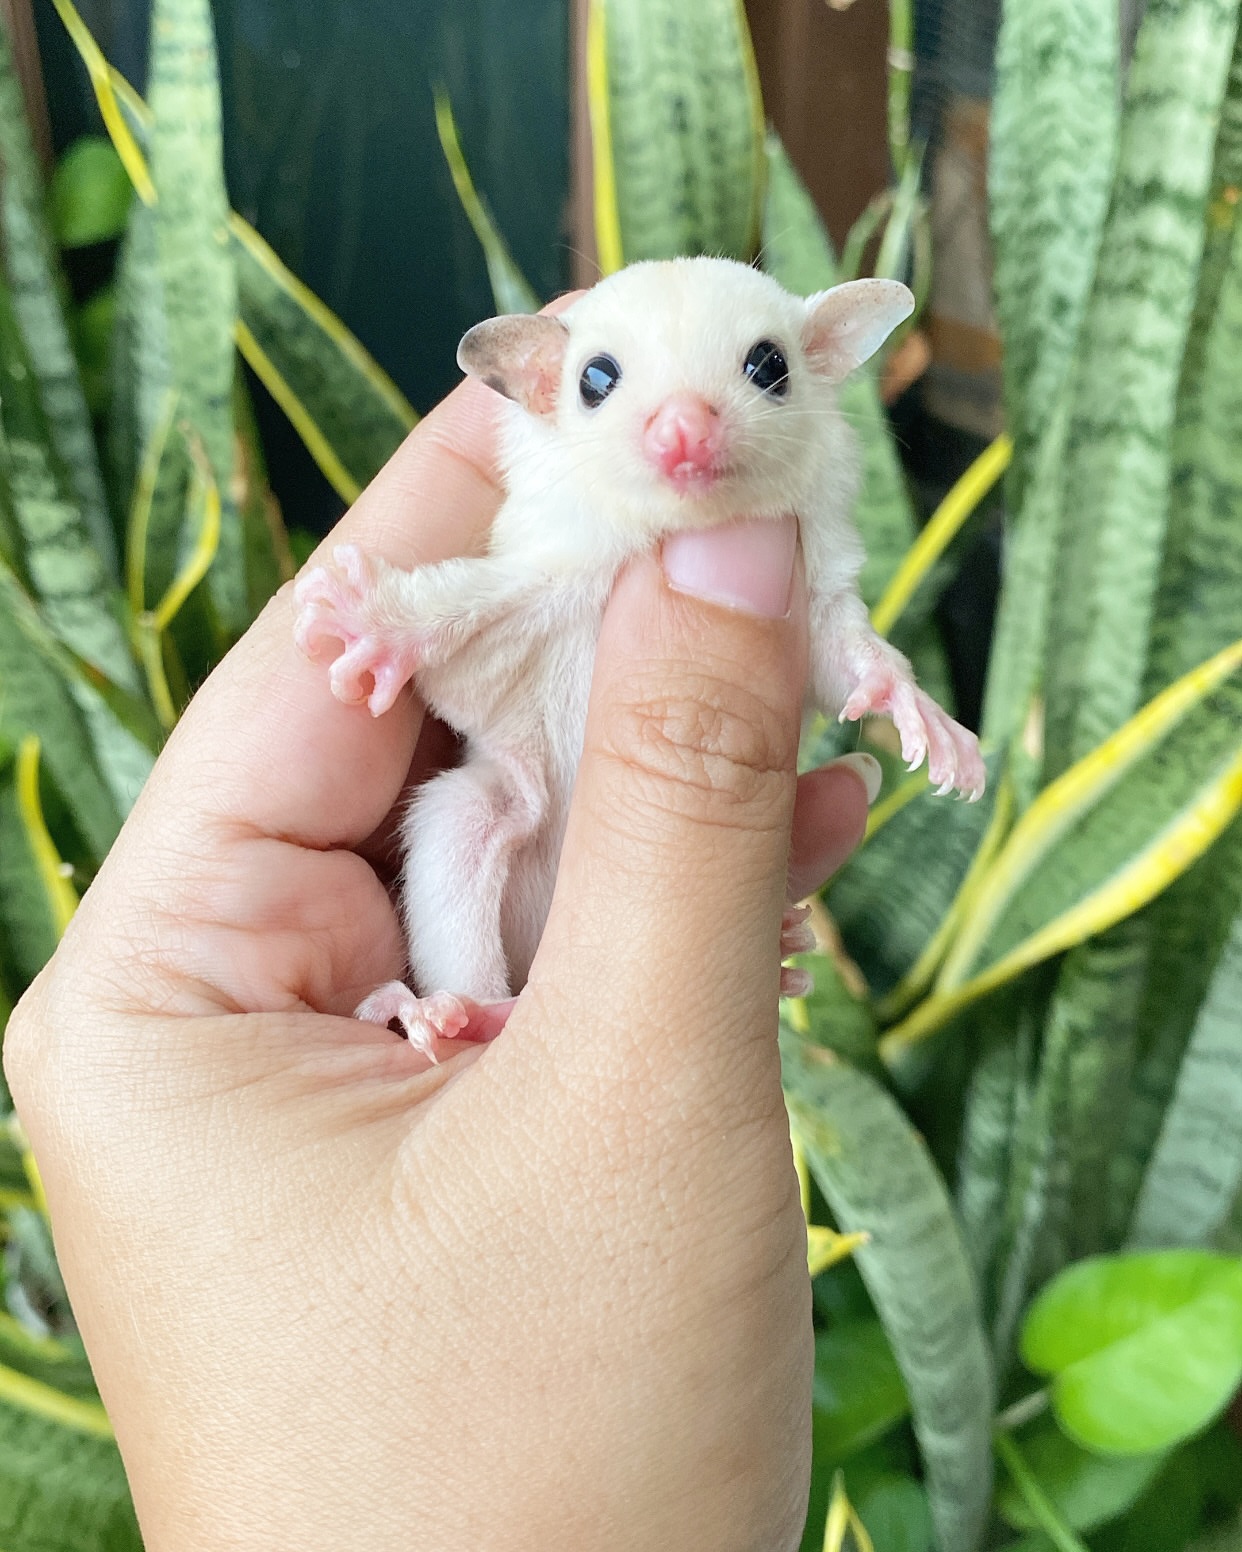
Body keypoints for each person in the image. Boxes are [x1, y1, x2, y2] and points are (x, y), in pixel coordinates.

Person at [4, 339, 875, 1550]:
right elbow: (504, 609)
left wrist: (879, 677)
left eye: (766, 370)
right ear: (540, 383)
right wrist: (401, 621)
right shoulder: (568, 516)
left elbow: (831, 621)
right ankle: (470, 995)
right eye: (608, 382)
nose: (683, 434)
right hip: (513, 847)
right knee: (459, 815)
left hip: (579, 912)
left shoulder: (759, 507)